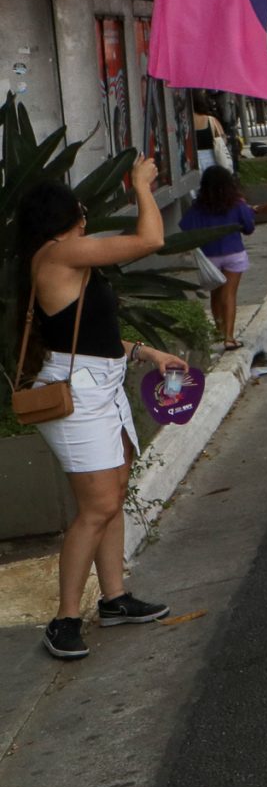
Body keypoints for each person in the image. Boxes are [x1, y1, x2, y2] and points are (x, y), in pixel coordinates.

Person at [17, 169, 181, 660]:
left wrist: (146, 353)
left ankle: (114, 598)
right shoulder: (59, 253)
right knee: (97, 508)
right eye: (82, 213)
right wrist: (142, 185)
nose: (87, 221)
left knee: (110, 497)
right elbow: (151, 238)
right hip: (79, 396)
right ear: (68, 218)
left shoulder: (65, 257)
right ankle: (65, 618)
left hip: (102, 384)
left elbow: (91, 336)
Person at [178, 164, 260, 349]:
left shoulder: (198, 207)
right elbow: (249, 228)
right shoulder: (237, 203)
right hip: (234, 253)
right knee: (229, 295)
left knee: (215, 294)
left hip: (210, 257)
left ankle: (219, 331)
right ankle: (230, 338)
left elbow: (186, 229)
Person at [188, 93, 230, 173]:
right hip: (213, 159)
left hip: (192, 161)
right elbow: (223, 140)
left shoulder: (185, 122)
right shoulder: (211, 120)